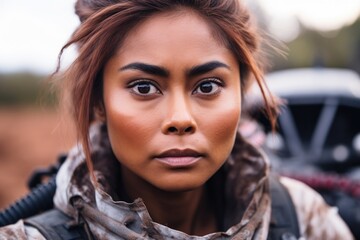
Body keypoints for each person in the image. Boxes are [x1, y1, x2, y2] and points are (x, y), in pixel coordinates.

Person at [0, 0, 354, 239]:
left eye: (208, 85)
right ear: (99, 100)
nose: (180, 119)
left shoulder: (306, 220)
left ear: (241, 93)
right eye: (143, 87)